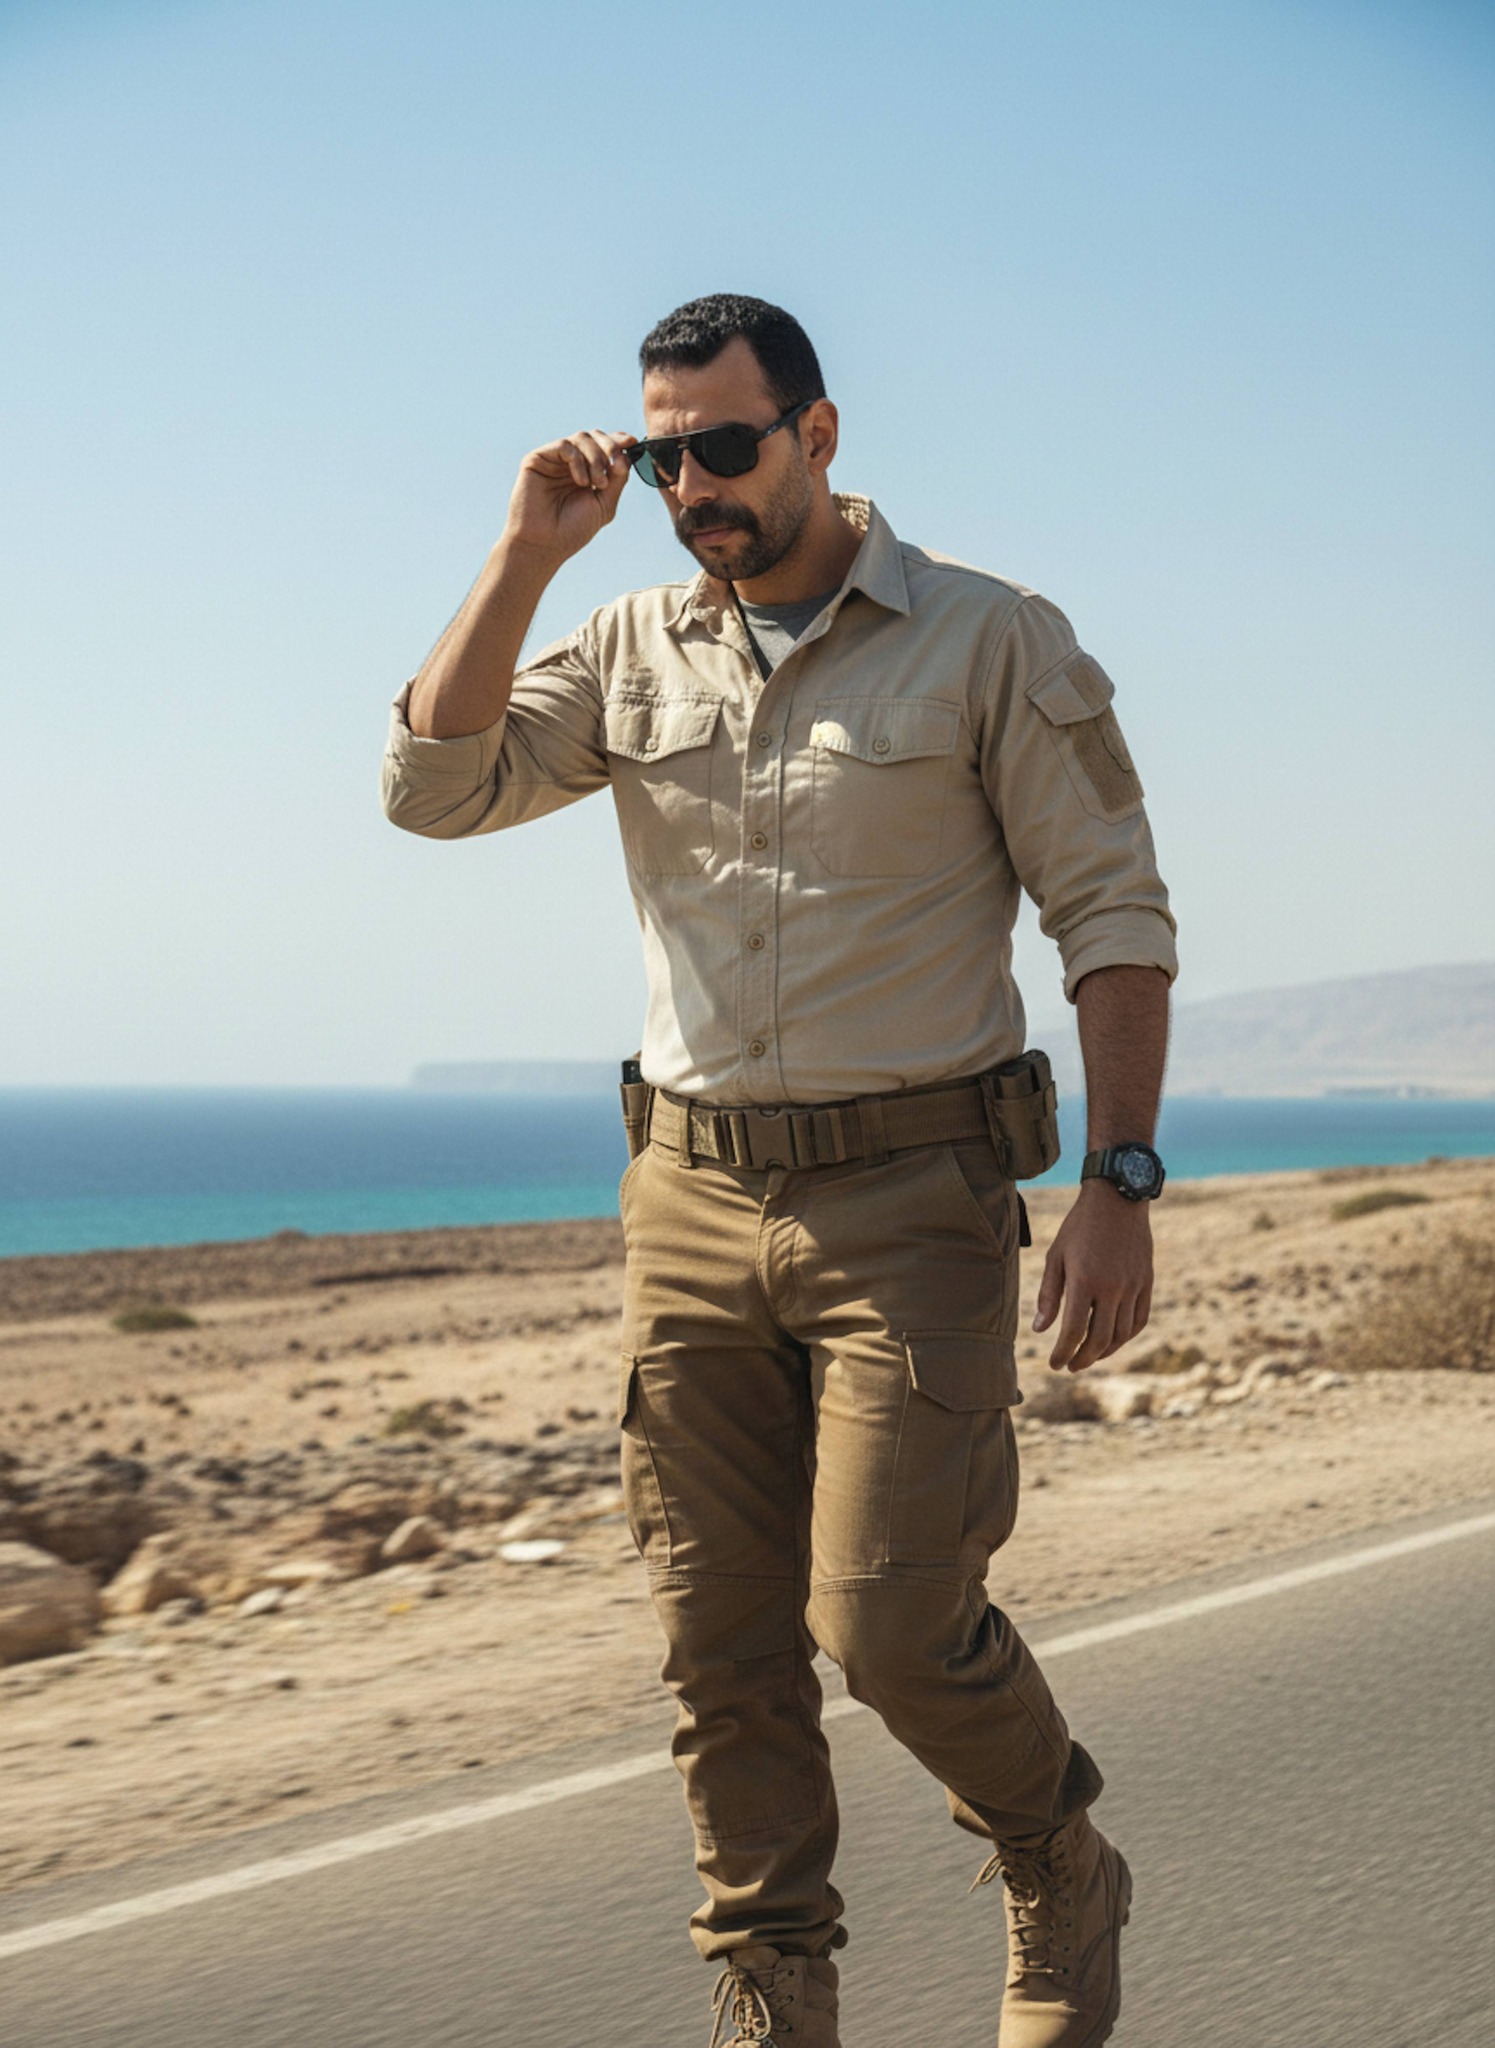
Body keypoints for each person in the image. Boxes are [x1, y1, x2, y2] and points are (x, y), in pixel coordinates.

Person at [381, 293, 1176, 2047]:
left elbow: (1112, 914)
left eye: (723, 449)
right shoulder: (625, 641)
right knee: (719, 1641)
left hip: (911, 1200)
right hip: (686, 1203)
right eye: (664, 456)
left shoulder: (987, 638)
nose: (691, 489)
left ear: (818, 437)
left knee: (886, 1619)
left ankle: (1055, 1854)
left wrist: (1121, 1178)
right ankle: (771, 1991)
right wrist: (526, 550)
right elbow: (432, 790)